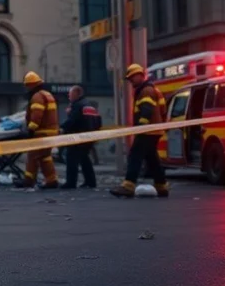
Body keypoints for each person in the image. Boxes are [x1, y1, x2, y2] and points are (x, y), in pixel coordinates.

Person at [111, 64, 170, 198]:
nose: (131, 81)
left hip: (147, 130)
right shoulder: (152, 89)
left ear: (140, 75)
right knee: (152, 159)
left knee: (135, 156)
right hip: (154, 130)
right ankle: (161, 186)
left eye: (132, 77)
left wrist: (142, 126)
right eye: (129, 78)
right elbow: (163, 110)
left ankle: (128, 186)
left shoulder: (146, 90)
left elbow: (146, 109)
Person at [17, 71, 59, 189]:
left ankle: (28, 181)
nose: (26, 88)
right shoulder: (47, 95)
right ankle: (51, 180)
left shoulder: (37, 97)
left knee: (33, 156)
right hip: (50, 131)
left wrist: (31, 129)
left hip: (41, 133)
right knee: (45, 157)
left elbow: (37, 115)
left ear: (31, 85)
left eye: (27, 86)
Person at [60, 85, 97, 189]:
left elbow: (73, 120)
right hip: (88, 137)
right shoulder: (88, 105)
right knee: (84, 160)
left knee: (71, 160)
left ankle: (71, 183)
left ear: (78, 94)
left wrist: (61, 127)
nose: (69, 96)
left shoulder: (77, 105)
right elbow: (97, 121)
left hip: (77, 137)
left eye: (71, 94)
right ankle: (90, 182)